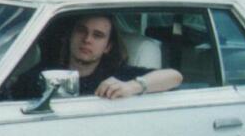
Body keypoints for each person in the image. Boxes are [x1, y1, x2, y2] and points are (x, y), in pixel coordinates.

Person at [18, 13, 182, 99]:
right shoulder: (43, 74)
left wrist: (132, 87)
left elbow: (175, 76)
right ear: (70, 36)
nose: (87, 39)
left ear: (107, 47)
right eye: (81, 31)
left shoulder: (117, 76)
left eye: (97, 35)